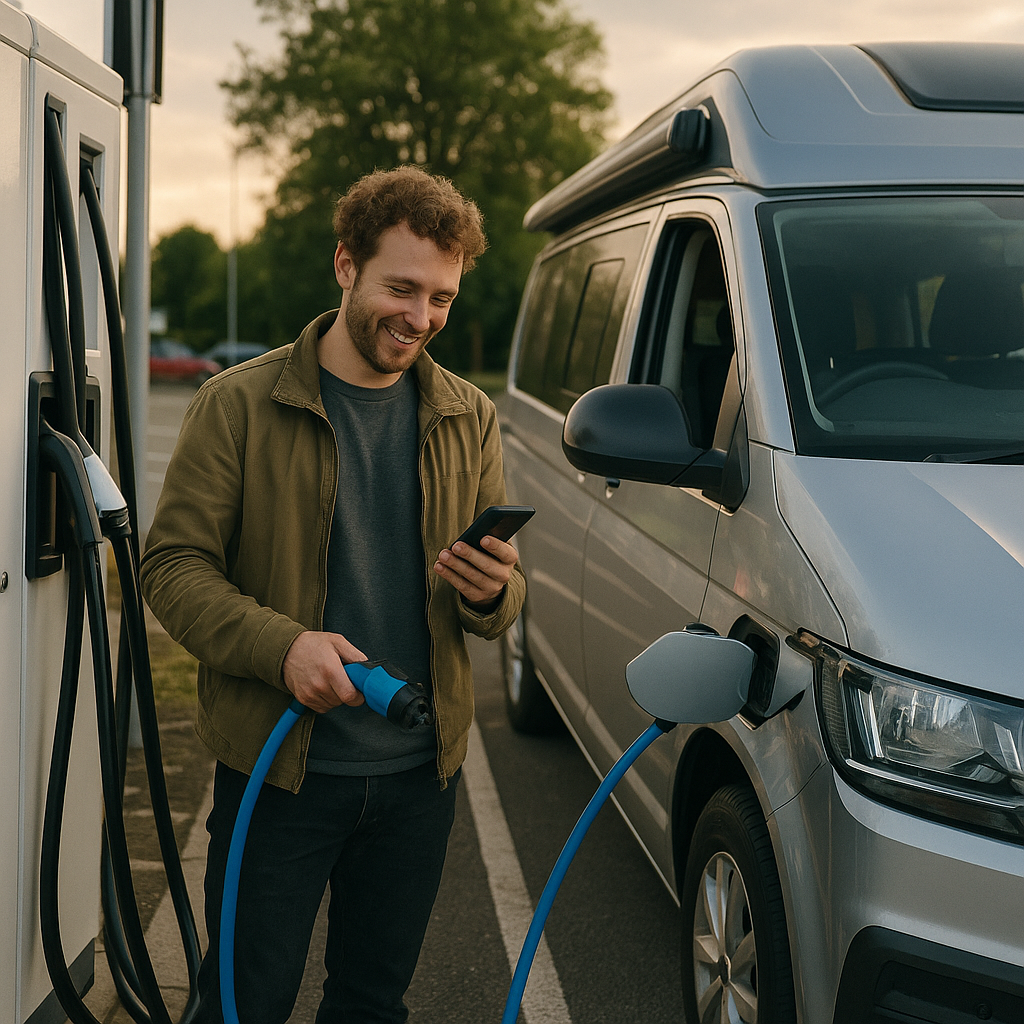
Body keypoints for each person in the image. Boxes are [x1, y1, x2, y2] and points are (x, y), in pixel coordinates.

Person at [140, 166, 527, 1024]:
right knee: (245, 1002)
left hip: (418, 780)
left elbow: (498, 604)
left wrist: (492, 592)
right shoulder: (236, 405)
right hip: (279, 775)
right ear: (346, 265)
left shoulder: (471, 415)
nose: (420, 319)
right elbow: (171, 568)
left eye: (443, 299)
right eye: (402, 288)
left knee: (370, 1002)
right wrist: (284, 648)